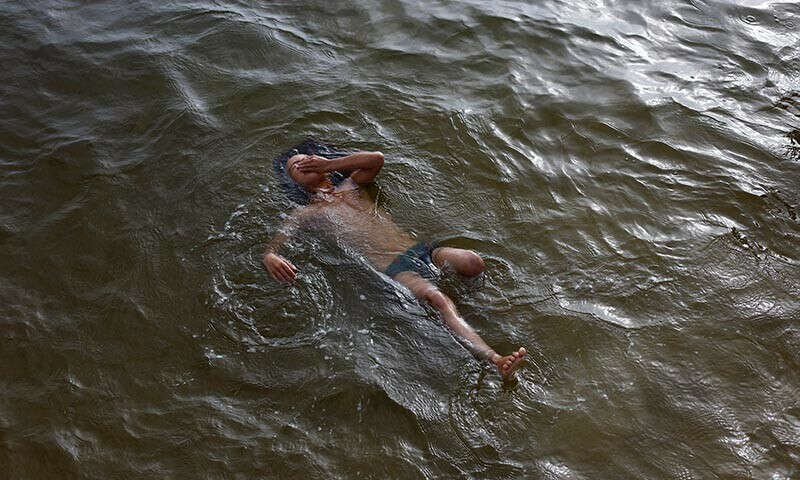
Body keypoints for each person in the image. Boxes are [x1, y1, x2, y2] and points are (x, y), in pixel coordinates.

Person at [263, 150, 526, 380]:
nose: (302, 163)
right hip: (396, 269)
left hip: (422, 251)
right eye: (295, 167)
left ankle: (495, 313)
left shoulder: (352, 185)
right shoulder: (308, 212)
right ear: (295, 183)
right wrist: (271, 255)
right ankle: (495, 360)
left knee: (472, 262)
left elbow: (376, 159)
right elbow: (281, 237)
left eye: (306, 159)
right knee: (439, 299)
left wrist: (330, 163)